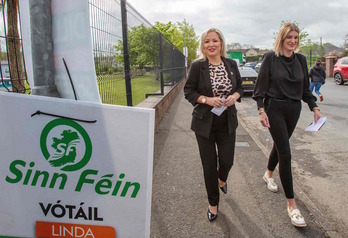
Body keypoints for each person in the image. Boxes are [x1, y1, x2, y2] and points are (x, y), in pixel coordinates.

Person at [252, 23, 322, 227]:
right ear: (281, 38)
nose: (293, 41)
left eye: (296, 37)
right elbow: (260, 88)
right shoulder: (270, 58)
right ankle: (292, 205)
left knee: (280, 146)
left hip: (294, 109)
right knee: (286, 153)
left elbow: (305, 90)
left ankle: (268, 174)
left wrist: (314, 107)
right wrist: (261, 110)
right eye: (289, 37)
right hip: (274, 109)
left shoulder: (300, 59)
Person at [184, 28, 244, 222]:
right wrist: (206, 100)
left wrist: (235, 96)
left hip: (227, 122)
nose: (211, 44)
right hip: (204, 125)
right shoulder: (197, 66)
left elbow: (240, 88)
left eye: (215, 41)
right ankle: (213, 204)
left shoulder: (231, 64)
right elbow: (189, 91)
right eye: (207, 41)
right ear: (203, 45)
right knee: (209, 165)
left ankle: (222, 179)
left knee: (227, 161)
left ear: (221, 43)